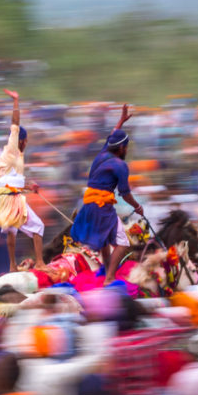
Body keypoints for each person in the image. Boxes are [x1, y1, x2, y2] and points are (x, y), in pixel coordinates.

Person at [69, 104, 146, 286]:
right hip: (102, 206)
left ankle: (105, 268)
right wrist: (137, 207)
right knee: (123, 243)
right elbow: (125, 194)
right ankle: (110, 277)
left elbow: (112, 135)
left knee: (104, 237)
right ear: (121, 149)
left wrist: (121, 120)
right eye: (126, 148)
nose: (126, 150)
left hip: (88, 205)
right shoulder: (120, 165)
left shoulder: (102, 153)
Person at [0, 89, 45, 272]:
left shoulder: (13, 159)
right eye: (26, 140)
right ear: (22, 140)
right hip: (12, 199)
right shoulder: (12, 149)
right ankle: (40, 263)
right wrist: (16, 101)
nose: (26, 143)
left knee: (11, 230)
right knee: (38, 227)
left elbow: (11, 182)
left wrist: (28, 187)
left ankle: (12, 266)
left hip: (5, 197)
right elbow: (15, 124)